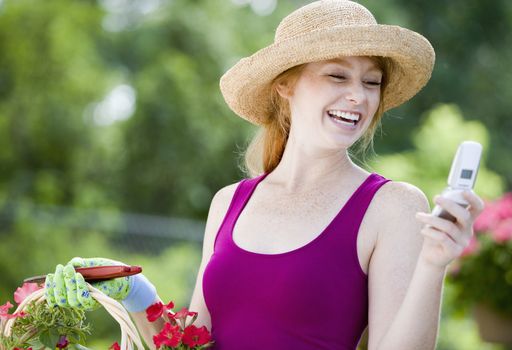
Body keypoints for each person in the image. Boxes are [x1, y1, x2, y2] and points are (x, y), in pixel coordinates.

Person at [45, 1, 485, 349]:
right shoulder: (229, 203)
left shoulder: (392, 207)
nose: (358, 96)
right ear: (285, 84)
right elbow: (188, 345)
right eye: (337, 75)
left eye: (371, 83)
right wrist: (132, 290)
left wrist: (433, 264)